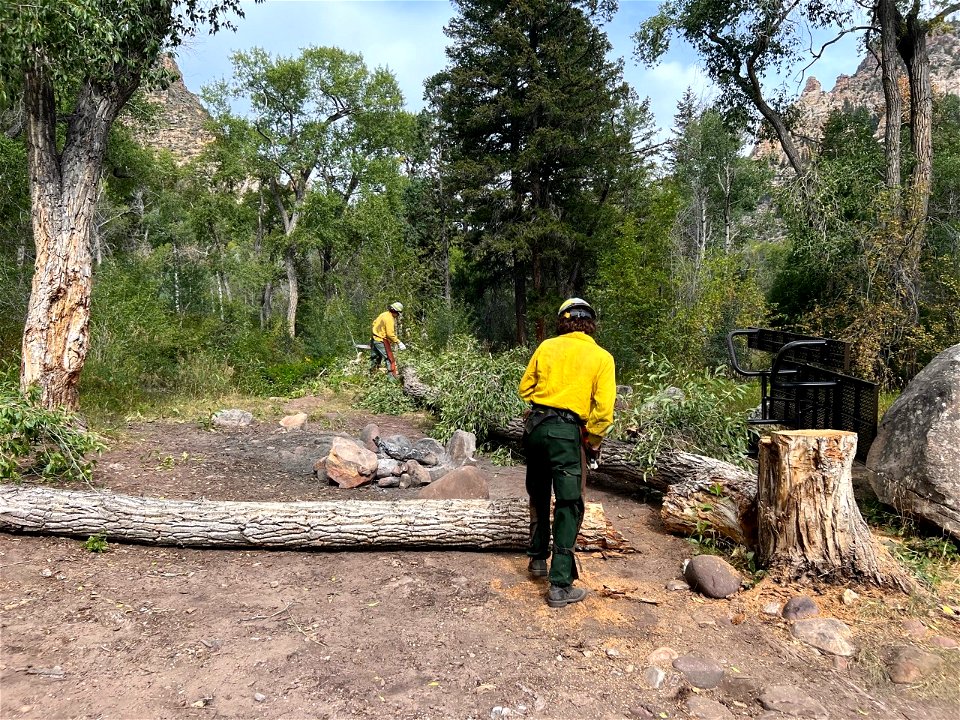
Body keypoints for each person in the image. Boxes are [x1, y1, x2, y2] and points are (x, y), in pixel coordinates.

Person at [518, 298, 616, 608]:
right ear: (590, 324)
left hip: (535, 428)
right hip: (566, 432)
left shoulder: (547, 347)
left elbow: (525, 389)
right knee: (569, 504)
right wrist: (594, 439)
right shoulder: (602, 357)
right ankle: (559, 586)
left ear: (563, 321)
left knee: (538, 493)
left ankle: (537, 560)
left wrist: (549, 399)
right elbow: (604, 411)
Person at [370, 302, 406, 378]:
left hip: (374, 339)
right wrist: (398, 342)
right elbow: (390, 334)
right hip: (381, 340)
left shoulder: (383, 314)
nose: (397, 316)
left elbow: (374, 324)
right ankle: (392, 379)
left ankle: (372, 376)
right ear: (396, 312)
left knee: (375, 358)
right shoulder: (390, 319)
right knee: (390, 359)